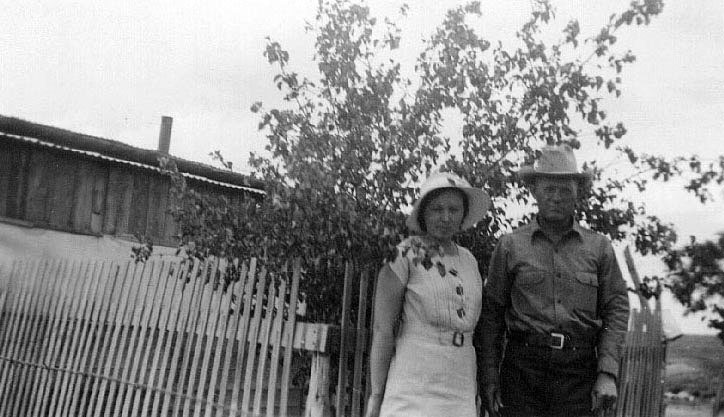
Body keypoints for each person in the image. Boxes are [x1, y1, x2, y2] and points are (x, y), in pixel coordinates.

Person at [476, 145, 630, 417]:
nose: (557, 197)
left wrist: (607, 373)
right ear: (534, 191)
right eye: (549, 189)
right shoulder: (511, 246)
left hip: (578, 374)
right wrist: (489, 375)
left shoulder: (599, 248)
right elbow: (491, 316)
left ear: (577, 193)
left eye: (565, 190)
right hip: (522, 371)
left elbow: (616, 310)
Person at [365, 171, 492, 417]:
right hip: (414, 378)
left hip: (460, 378)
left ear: (463, 215)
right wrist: (377, 394)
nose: (445, 217)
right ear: (423, 212)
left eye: (454, 210)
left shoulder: (469, 260)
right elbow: (383, 329)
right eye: (437, 209)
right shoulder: (404, 254)